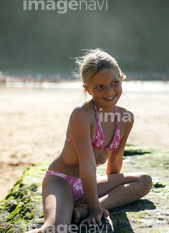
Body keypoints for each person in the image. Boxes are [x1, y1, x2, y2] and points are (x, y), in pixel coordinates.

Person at [27, 49, 152, 232]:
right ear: (87, 89)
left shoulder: (126, 118)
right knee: (56, 228)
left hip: (90, 186)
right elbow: (86, 165)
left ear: (122, 78)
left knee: (144, 180)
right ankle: (86, 207)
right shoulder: (82, 114)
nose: (109, 91)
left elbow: (116, 159)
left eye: (114, 83)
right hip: (62, 181)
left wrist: (102, 197)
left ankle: (84, 207)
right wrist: (95, 209)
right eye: (99, 87)